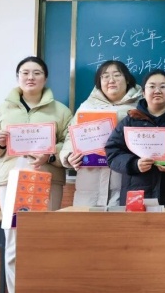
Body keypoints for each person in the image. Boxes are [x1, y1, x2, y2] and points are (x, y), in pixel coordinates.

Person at [0, 56, 73, 293]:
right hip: (11, 182)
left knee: (45, 240)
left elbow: (70, 145)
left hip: (47, 180)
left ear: (45, 78)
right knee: (14, 242)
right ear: (18, 77)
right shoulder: (1, 110)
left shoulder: (61, 111)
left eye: (37, 72)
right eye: (25, 72)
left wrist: (50, 155)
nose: (31, 77)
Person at [60, 60, 142, 207]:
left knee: (121, 220)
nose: (111, 80)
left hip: (124, 179)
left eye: (117, 75)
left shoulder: (141, 107)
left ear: (127, 79)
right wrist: (69, 156)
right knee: (88, 221)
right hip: (89, 182)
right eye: (105, 76)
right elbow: (70, 137)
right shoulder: (86, 107)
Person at [105, 70, 165, 208]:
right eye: (152, 86)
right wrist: (134, 164)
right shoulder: (130, 121)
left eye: (162, 86)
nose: (157, 91)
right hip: (136, 194)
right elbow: (112, 153)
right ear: (143, 93)